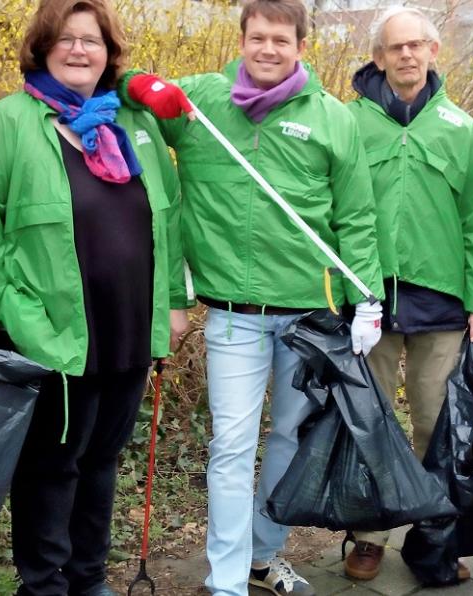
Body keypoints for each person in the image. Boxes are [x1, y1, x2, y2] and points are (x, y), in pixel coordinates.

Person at [124, 1, 383, 593]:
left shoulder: (331, 118)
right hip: (234, 317)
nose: (268, 49)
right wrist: (146, 85)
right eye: (258, 37)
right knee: (232, 446)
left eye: (281, 40)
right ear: (241, 40)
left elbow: (357, 218)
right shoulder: (200, 102)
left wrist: (366, 298)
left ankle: (265, 556)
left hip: (310, 316)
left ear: (301, 47)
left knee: (290, 443)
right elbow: (117, 81)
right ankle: (227, 581)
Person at [0, 1, 188, 594]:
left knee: (102, 460)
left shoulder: (131, 123)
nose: (79, 50)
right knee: (52, 465)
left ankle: (88, 578)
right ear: (42, 46)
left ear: (110, 54)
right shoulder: (9, 122)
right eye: (67, 38)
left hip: (130, 325)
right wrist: (1, 313)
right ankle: (44, 583)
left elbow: (170, 216)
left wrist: (174, 303)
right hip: (50, 330)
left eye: (93, 41)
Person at [341, 5, 473, 583]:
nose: (407, 55)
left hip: (442, 304)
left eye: (417, 45)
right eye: (395, 47)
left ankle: (433, 540)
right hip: (369, 301)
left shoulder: (461, 127)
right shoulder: (348, 121)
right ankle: (369, 535)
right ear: (378, 57)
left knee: (436, 424)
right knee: (370, 421)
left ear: (433, 51)